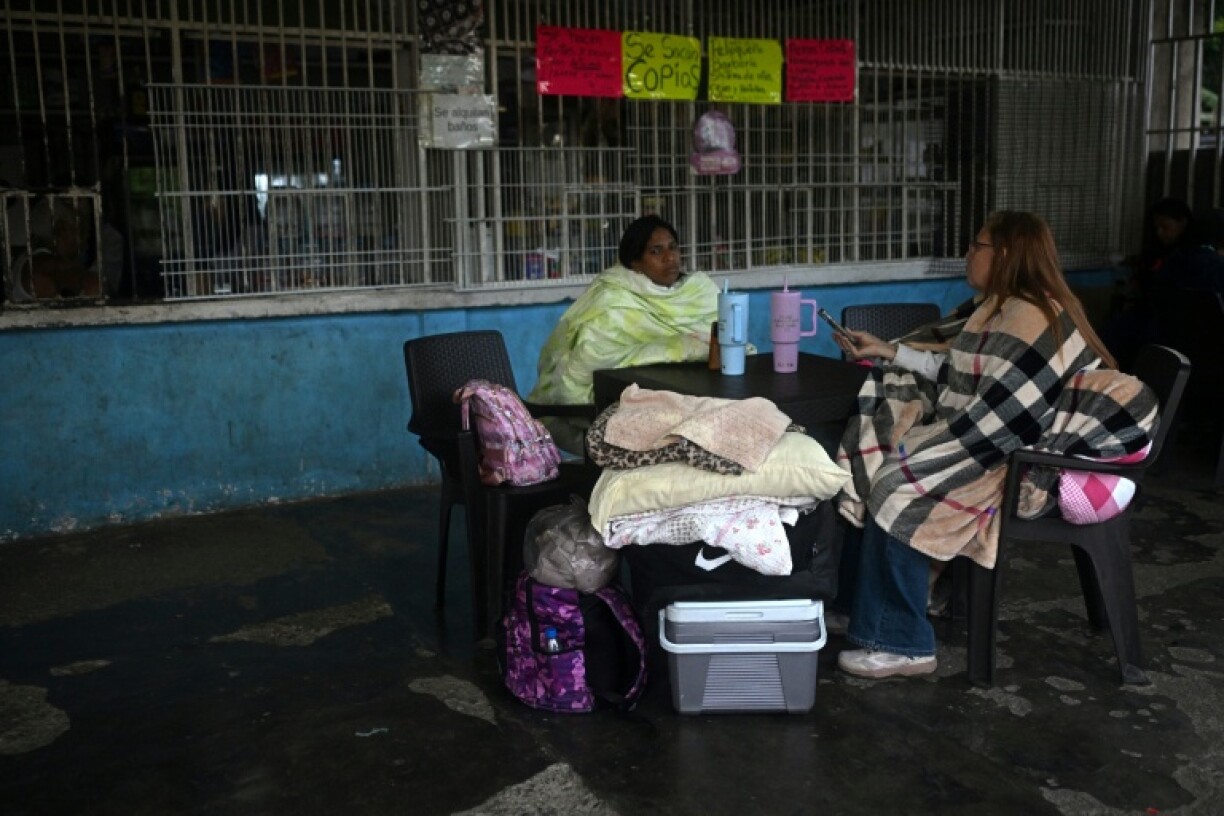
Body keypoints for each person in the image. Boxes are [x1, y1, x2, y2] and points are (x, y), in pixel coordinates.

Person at [832, 211, 1150, 680]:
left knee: (897, 485)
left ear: (1001, 255)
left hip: (1027, 465)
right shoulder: (998, 307)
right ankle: (864, 609)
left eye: (975, 245)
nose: (968, 253)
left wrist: (932, 451)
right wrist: (890, 352)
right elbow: (964, 376)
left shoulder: (1031, 318)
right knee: (878, 458)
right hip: (1002, 444)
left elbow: (1008, 421)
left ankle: (904, 643)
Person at [528, 214, 719, 453]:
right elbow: (586, 362)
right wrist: (673, 348)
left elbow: (723, 344)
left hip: (684, 393)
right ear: (635, 262)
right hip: (618, 405)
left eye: (673, 247)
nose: (670, 258)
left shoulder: (698, 292)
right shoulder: (613, 297)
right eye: (656, 251)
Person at [1102, 197, 1194, 371]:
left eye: (1165, 227)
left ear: (1182, 223)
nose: (1160, 233)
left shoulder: (1188, 255)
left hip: (1166, 319)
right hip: (1146, 312)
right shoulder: (1157, 250)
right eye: (1157, 228)